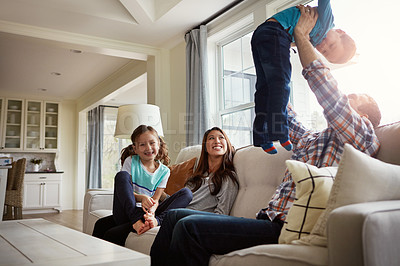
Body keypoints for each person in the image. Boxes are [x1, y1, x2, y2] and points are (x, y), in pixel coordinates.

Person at [150, 6, 380, 266]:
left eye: (355, 98)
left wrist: (302, 35)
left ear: (365, 114)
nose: (347, 97)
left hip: (282, 229)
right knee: (173, 216)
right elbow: (282, 113)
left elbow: (327, 91)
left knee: (188, 227)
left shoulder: (362, 134)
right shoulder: (313, 140)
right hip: (264, 220)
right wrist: (272, 65)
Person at [252, 0, 356, 154]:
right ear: (340, 32)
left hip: (262, 34)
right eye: (332, 45)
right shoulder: (327, 21)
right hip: (274, 32)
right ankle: (279, 131)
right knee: (281, 83)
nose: (323, 46)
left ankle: (261, 137)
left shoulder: (310, 39)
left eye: (325, 52)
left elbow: (294, 36)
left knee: (264, 88)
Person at [92, 125, 192, 246]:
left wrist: (151, 212)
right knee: (121, 176)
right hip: (127, 211)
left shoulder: (165, 171)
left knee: (186, 193)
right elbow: (125, 193)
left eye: (152, 143)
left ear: (158, 144)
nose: (148, 148)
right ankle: (136, 220)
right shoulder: (131, 161)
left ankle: (155, 222)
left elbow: (156, 199)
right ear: (135, 148)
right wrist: (142, 198)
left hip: (146, 212)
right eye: (142, 145)